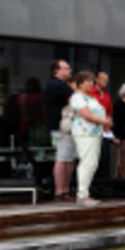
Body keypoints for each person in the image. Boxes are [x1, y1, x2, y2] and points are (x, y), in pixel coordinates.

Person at [68, 71, 112, 207]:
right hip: (84, 133)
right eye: (88, 81)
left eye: (92, 81)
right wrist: (104, 121)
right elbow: (86, 115)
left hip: (94, 134)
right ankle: (82, 195)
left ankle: (85, 193)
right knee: (87, 163)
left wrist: (105, 123)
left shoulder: (90, 97)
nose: (91, 83)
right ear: (80, 84)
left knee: (92, 163)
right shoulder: (77, 97)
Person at [44, 59, 77, 200]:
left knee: (69, 158)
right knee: (63, 157)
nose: (69, 71)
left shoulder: (52, 84)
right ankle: (60, 190)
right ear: (56, 71)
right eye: (66, 68)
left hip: (59, 126)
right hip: (62, 127)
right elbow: (76, 102)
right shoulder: (59, 85)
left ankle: (64, 189)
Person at [113, 82, 125, 180]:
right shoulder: (119, 104)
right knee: (121, 161)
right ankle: (120, 181)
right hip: (121, 136)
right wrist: (116, 136)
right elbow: (116, 121)